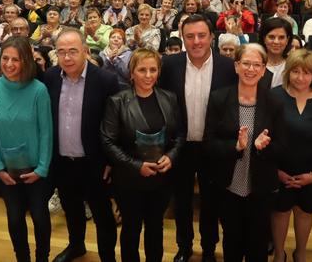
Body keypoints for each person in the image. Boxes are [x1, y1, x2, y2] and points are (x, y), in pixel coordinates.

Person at [158, 14, 238, 262]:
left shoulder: (227, 67)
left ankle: (209, 249)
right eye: (190, 36)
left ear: (212, 37)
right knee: (181, 200)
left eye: (201, 35)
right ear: (183, 39)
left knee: (211, 202)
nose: (196, 41)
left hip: (213, 146)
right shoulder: (170, 65)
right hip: (180, 146)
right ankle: (184, 246)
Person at [203, 44, 286, 262]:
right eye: (246, 63)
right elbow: (209, 143)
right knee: (231, 240)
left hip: (261, 187)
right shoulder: (219, 98)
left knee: (258, 243)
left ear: (263, 69)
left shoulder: (275, 102)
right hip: (228, 185)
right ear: (236, 66)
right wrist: (236, 147)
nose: (250, 69)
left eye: (256, 65)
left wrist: (263, 147)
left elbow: (282, 148)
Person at [100, 48, 184, 262]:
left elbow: (179, 135)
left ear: (159, 72)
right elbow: (108, 141)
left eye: (153, 70)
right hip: (129, 180)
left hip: (160, 180)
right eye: (142, 70)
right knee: (131, 229)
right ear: (131, 72)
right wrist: (136, 165)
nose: (148, 75)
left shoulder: (170, 98)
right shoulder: (117, 102)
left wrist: (171, 156)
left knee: (155, 228)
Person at [44, 29, 120, 262]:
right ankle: (76, 245)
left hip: (95, 162)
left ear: (85, 51)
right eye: (61, 52)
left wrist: (110, 160)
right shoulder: (49, 77)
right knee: (72, 208)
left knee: (102, 214)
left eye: (73, 51)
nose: (67, 58)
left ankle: (107, 256)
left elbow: (115, 123)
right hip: (63, 160)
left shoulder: (105, 80)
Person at [0, 37, 53, 262]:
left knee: (40, 216)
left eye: (16, 60)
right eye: (6, 58)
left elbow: (46, 132)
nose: (9, 64)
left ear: (26, 62)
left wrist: (41, 169)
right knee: (14, 217)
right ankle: (22, 258)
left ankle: (42, 258)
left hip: (36, 170)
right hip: (5, 171)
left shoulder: (38, 90)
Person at [270, 49, 312, 262]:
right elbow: (265, 138)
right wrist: (276, 171)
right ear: (288, 71)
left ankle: (300, 252)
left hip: (311, 174)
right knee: (280, 212)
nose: (300, 77)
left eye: (307, 73)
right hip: (280, 172)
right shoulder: (274, 97)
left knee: (304, 213)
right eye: (296, 71)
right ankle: (279, 253)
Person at [259, 17, 293, 89]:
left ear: (287, 40)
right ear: (264, 39)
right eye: (271, 37)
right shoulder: (254, 64)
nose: (276, 42)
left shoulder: (292, 65)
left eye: (281, 37)